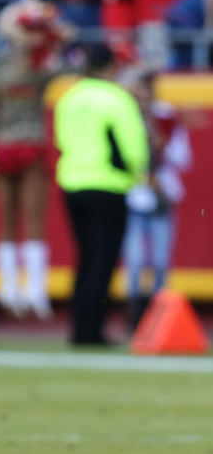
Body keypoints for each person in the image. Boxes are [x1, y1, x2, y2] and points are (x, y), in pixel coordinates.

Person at [53, 43, 149, 346]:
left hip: (72, 183)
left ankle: (79, 329)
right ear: (110, 67)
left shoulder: (68, 97)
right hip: (108, 185)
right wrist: (136, 173)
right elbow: (134, 147)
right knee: (102, 261)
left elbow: (60, 139)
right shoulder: (116, 97)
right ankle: (92, 332)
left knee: (84, 260)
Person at [0, 0, 71, 319]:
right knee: (22, 218)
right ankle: (21, 289)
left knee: (17, 218)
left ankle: (23, 289)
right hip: (24, 144)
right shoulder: (32, 68)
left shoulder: (30, 67)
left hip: (14, 144)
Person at [122, 69, 192, 330]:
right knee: (136, 260)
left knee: (161, 261)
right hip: (135, 194)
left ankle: (158, 317)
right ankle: (133, 318)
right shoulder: (125, 113)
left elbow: (184, 158)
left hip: (162, 193)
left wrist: (164, 145)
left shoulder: (165, 114)